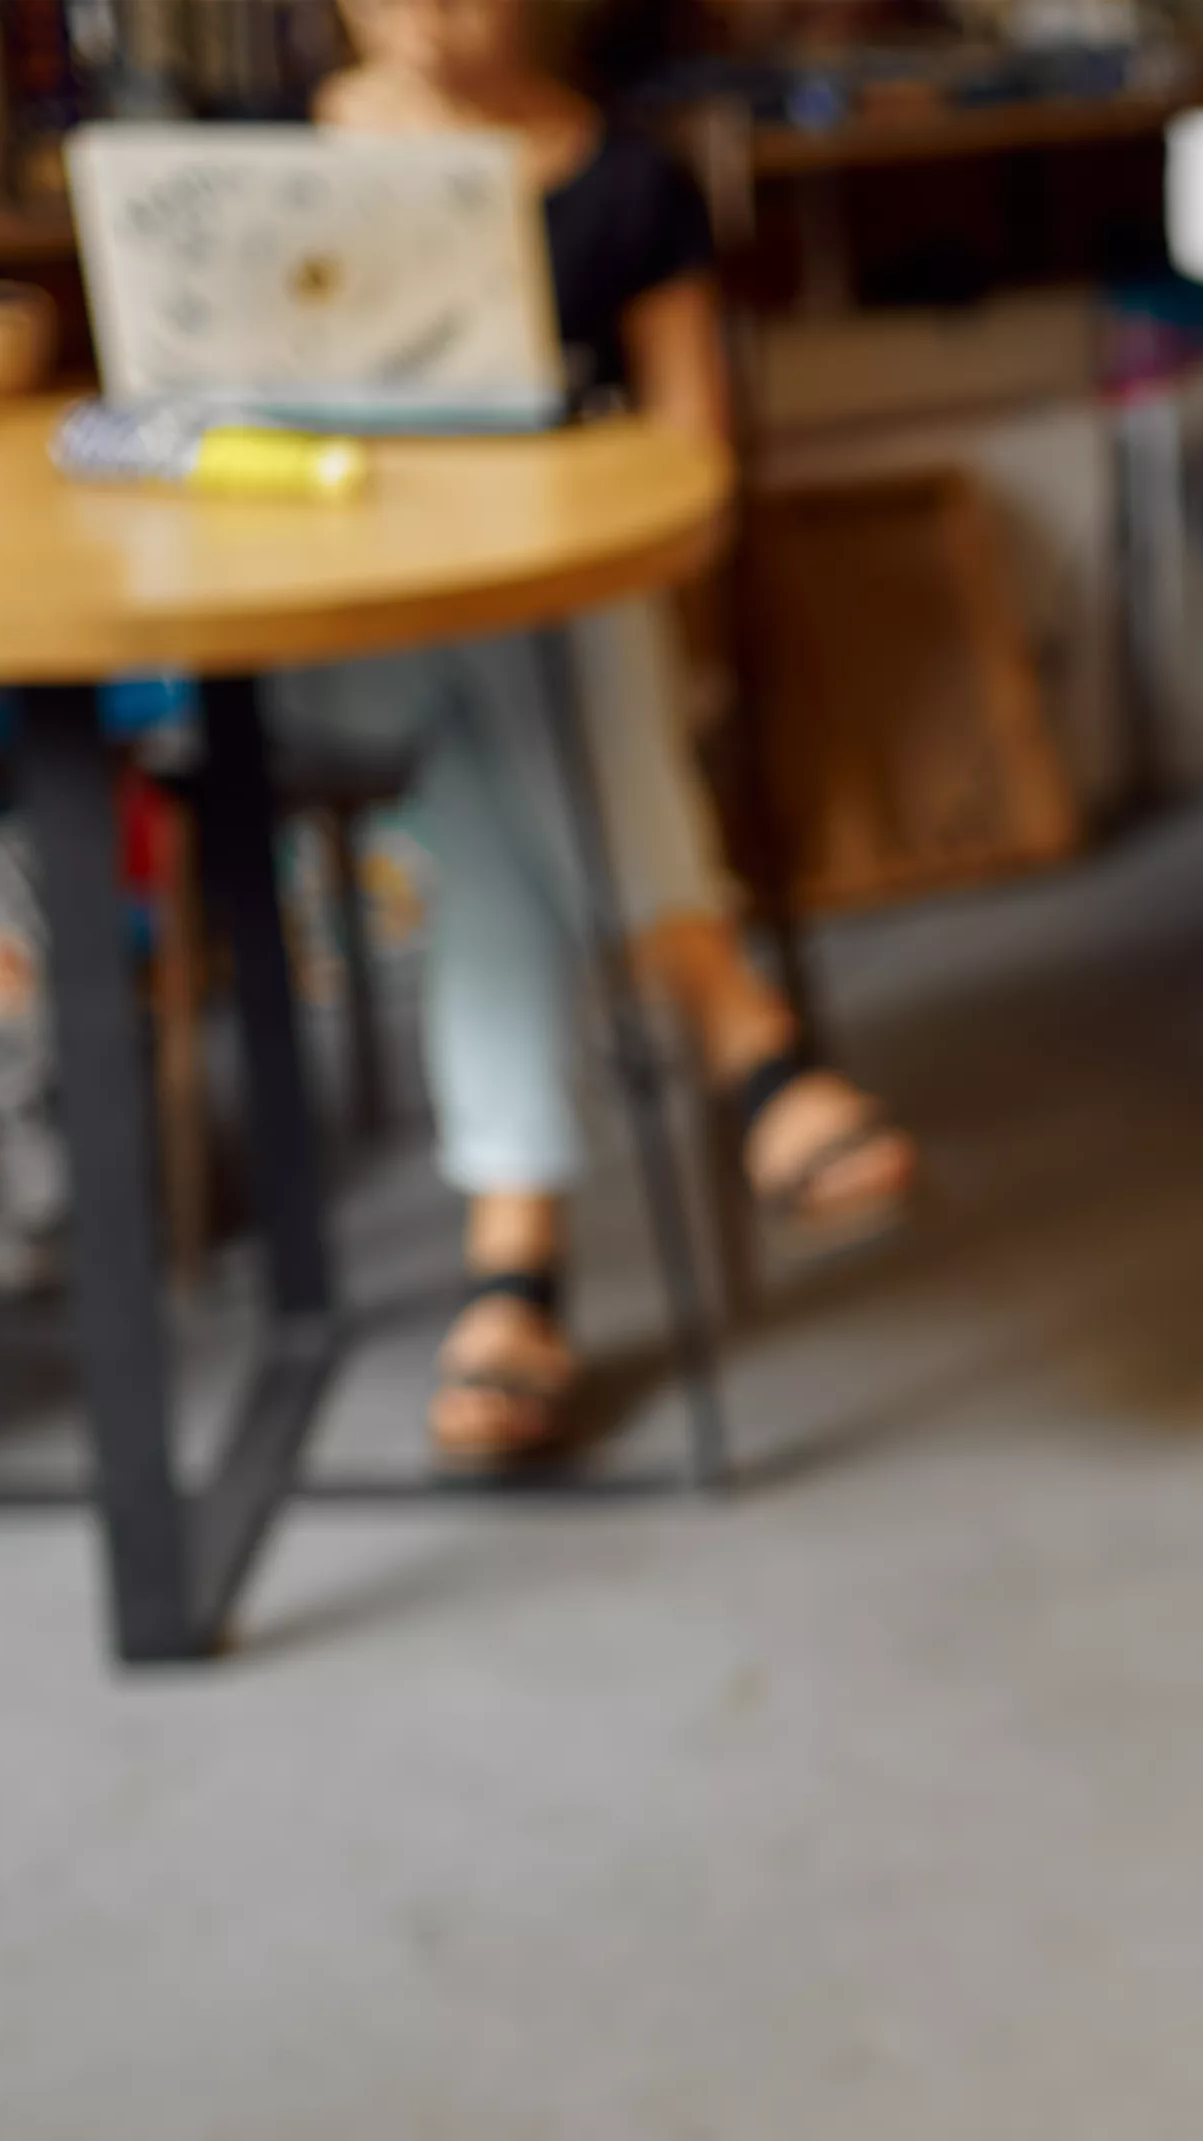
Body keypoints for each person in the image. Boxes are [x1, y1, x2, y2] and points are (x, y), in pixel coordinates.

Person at [292, 0, 917, 1470]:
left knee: (516, 664)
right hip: (332, 645)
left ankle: (515, 1263)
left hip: (540, 659)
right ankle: (729, 1017)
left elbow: (691, 470)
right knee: (525, 640)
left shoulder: (628, 187)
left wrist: (534, 498)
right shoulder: (260, 177)